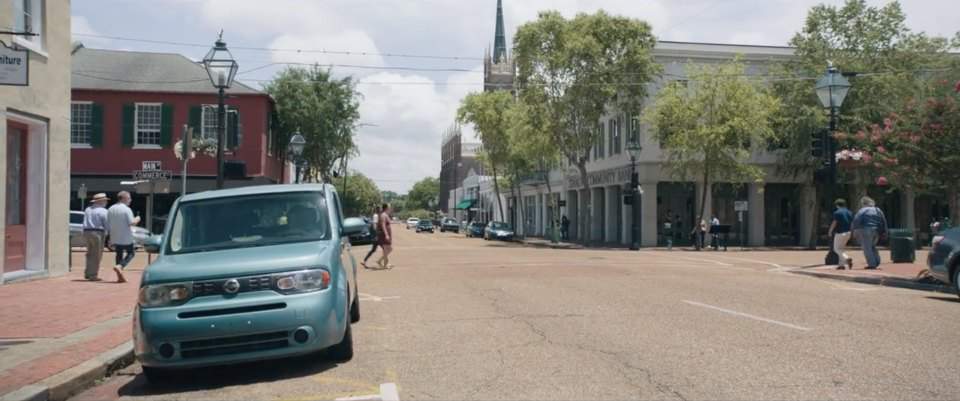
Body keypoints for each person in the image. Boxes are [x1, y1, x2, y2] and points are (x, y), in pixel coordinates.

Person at [107, 191, 141, 283]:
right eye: (129, 198)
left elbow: (108, 223)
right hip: (126, 236)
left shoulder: (111, 209)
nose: (130, 200)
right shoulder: (126, 209)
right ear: (123, 198)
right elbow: (132, 222)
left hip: (115, 235)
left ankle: (119, 276)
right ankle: (120, 266)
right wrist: (138, 218)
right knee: (131, 253)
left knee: (119, 254)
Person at [851, 196, 888, 270]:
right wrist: (885, 231)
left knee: (867, 248)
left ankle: (872, 264)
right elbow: (884, 221)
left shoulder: (863, 210)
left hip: (865, 230)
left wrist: (854, 230)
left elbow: (856, 220)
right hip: (876, 230)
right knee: (872, 246)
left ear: (864, 203)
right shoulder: (878, 210)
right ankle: (877, 261)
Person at [82, 193, 110, 281]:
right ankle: (93, 275)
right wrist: (109, 233)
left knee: (90, 253)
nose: (106, 202)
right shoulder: (104, 211)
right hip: (97, 232)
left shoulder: (88, 209)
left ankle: (88, 272)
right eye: (105, 201)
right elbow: (107, 224)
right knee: (96, 255)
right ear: (101, 201)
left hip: (87, 231)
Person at [828, 198, 855, 270]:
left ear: (837, 205)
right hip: (848, 232)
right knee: (841, 249)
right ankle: (841, 265)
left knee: (836, 249)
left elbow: (834, 223)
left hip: (840, 233)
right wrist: (852, 232)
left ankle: (847, 258)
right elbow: (852, 223)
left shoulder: (837, 212)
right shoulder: (849, 212)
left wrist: (830, 231)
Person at [375, 203, 394, 269]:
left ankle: (380, 261)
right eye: (389, 207)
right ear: (386, 208)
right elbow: (383, 225)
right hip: (384, 235)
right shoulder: (383, 215)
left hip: (386, 234)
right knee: (388, 249)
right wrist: (386, 234)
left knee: (386, 249)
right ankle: (385, 264)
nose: (390, 208)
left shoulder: (386, 215)